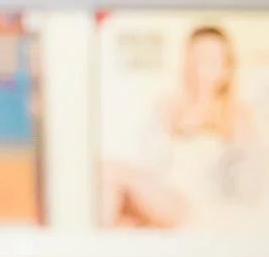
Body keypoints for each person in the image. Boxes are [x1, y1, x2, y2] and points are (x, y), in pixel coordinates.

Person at [106, 23, 264, 230]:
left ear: (226, 68)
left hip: (198, 205)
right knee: (116, 200)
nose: (201, 67)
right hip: (165, 193)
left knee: (111, 169)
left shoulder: (237, 115)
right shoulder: (168, 107)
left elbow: (247, 187)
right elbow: (148, 162)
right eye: (196, 58)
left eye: (210, 60)